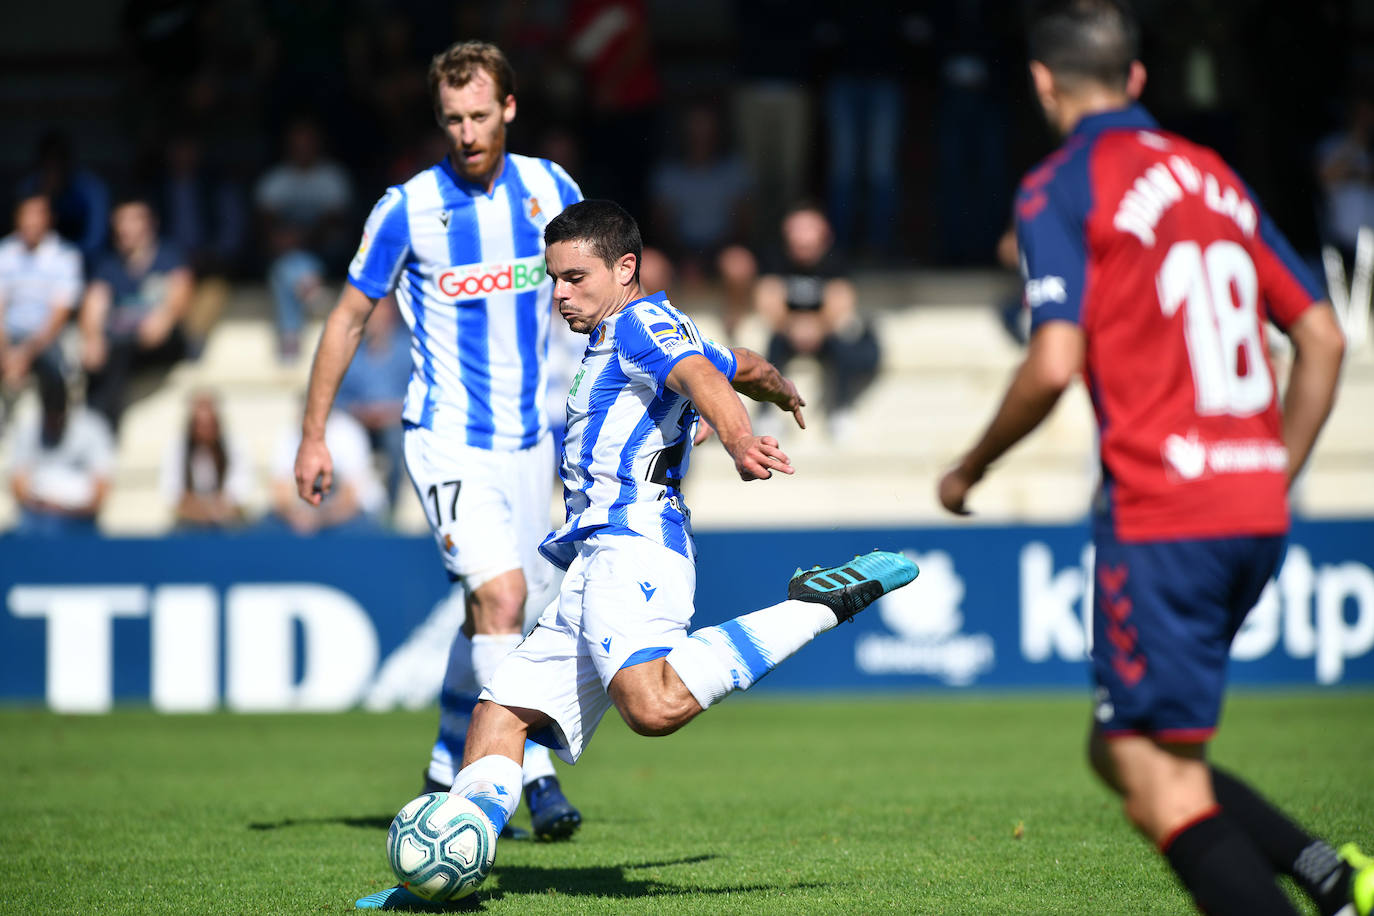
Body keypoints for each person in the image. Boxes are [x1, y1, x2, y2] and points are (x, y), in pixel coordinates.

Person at [354, 199, 919, 910]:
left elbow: (703, 377)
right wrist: (770, 378)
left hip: (638, 544)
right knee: (500, 716)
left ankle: (816, 604)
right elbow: (730, 361)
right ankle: (447, 881)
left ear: (626, 269)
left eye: (576, 278)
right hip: (593, 560)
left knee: (650, 707)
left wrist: (740, 436)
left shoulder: (642, 322)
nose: (560, 294)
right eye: (554, 279)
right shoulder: (631, 331)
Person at [937, 4, 1371, 916]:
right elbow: (1323, 337)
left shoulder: (1061, 183)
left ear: (1043, 82)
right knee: (1132, 748)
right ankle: (1328, 877)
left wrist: (969, 467)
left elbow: (1054, 362)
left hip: (1164, 515)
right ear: (1137, 80)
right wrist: (1270, 470)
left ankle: (1321, 890)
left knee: (1153, 777)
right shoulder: (1210, 174)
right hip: (1252, 507)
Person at [292, 41, 586, 842]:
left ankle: (441, 762)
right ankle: (531, 774)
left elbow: (599, 292)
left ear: (510, 109)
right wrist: (314, 435)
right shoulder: (408, 208)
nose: (466, 131)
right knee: (503, 598)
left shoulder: (551, 190)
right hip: (447, 435)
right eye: (452, 118)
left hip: (532, 442)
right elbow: (349, 316)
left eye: (480, 115)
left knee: (494, 617)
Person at [754, 202, 880, 441]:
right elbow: (768, 301)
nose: (801, 239)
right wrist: (793, 326)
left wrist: (817, 327)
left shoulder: (836, 260)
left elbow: (841, 302)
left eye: (808, 231)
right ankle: (766, 413)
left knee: (845, 345)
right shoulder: (775, 258)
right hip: (786, 333)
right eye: (796, 231)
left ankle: (841, 410)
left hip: (825, 333)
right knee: (773, 346)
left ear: (824, 235)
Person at [79, 196, 193, 430]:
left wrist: (165, 318)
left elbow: (182, 291)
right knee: (102, 353)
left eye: (132, 220)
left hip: (164, 341)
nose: (125, 228)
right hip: (124, 343)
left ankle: (102, 429)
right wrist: (92, 338)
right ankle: (93, 427)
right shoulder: (108, 265)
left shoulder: (168, 256)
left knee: (117, 352)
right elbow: (94, 302)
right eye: (120, 221)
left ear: (150, 223)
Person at [255, 117, 353, 359]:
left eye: (307, 144)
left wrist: (299, 238)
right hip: (287, 250)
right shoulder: (276, 179)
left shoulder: (331, 176)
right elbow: (264, 223)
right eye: (297, 145)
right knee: (285, 265)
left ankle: (290, 337)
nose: (302, 150)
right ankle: (308, 286)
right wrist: (284, 239)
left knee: (284, 270)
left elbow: (336, 221)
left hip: (326, 251)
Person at [0, 194, 82, 411]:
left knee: (56, 374)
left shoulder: (65, 256)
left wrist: (24, 354)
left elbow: (58, 317)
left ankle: (53, 428)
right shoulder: (4, 252)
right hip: (7, 337)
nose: (31, 222)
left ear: (49, 219)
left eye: (38, 215)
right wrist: (5, 351)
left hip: (46, 338)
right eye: (26, 215)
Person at [8, 377, 113, 537]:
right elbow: (18, 484)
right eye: (50, 416)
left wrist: (67, 509)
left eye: (58, 416)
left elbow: (101, 489)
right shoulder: (28, 430)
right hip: (37, 520)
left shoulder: (92, 429)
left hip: (81, 519)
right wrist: (48, 507)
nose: (54, 423)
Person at [336, 295, 410, 514]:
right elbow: (339, 399)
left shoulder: (408, 349)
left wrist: (391, 412)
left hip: (398, 424)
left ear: (391, 315)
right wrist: (359, 412)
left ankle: (391, 509)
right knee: (341, 438)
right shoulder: (351, 352)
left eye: (379, 312)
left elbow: (421, 394)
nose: (373, 318)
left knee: (395, 442)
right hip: (359, 425)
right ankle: (353, 511)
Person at [270, 406, 385, 537]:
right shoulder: (290, 434)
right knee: (267, 530)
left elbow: (350, 499)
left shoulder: (347, 432)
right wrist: (298, 516)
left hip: (352, 515)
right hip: (303, 518)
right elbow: (281, 494)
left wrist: (318, 519)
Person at [160, 389, 251, 531]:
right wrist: (204, 512)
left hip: (227, 523)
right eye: (200, 425)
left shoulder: (234, 445)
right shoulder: (178, 447)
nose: (205, 431)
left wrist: (211, 510)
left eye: (209, 424)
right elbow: (174, 498)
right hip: (189, 524)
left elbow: (239, 497)